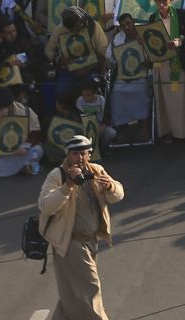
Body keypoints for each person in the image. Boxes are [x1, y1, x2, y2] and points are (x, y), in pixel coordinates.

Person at [36, 135, 124, 320]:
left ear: (89, 155)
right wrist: (67, 186)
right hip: (70, 242)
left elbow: (118, 195)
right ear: (67, 155)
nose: (79, 158)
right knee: (90, 288)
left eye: (83, 154)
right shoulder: (57, 176)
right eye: (75, 154)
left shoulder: (96, 170)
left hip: (91, 240)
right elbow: (45, 206)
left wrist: (110, 187)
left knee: (71, 291)